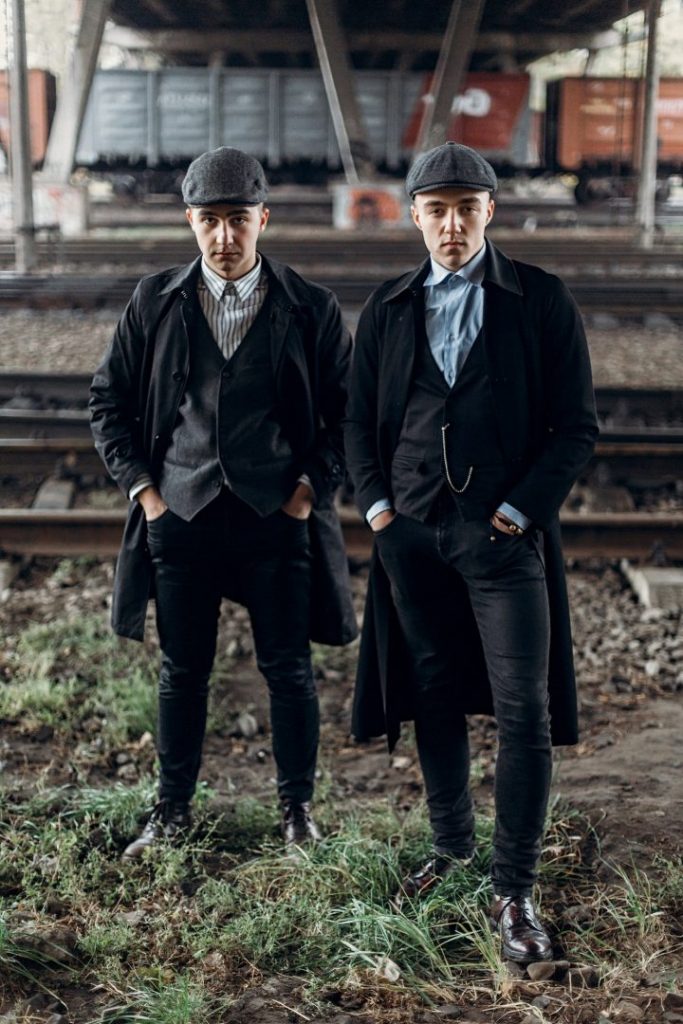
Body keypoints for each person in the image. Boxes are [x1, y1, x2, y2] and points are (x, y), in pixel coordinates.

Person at [345, 142, 598, 963]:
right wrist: (380, 512)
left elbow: (576, 429)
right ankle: (451, 848)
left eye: (466, 208)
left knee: (520, 710)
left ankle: (513, 889)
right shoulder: (385, 309)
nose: (451, 224)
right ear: (413, 215)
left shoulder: (539, 299)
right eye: (435, 209)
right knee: (434, 694)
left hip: (502, 541)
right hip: (411, 538)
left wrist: (520, 512)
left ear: (490, 211)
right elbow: (355, 425)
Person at [90, 147, 356, 859]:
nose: (224, 237)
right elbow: (107, 403)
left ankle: (297, 812)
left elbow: (347, 416)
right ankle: (171, 809)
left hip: (277, 517)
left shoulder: (309, 307)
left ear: (262, 219)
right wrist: (146, 494)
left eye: (237, 220)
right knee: (183, 671)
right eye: (209, 221)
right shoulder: (154, 300)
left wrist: (307, 492)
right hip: (180, 516)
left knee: (288, 670)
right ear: (190, 222)